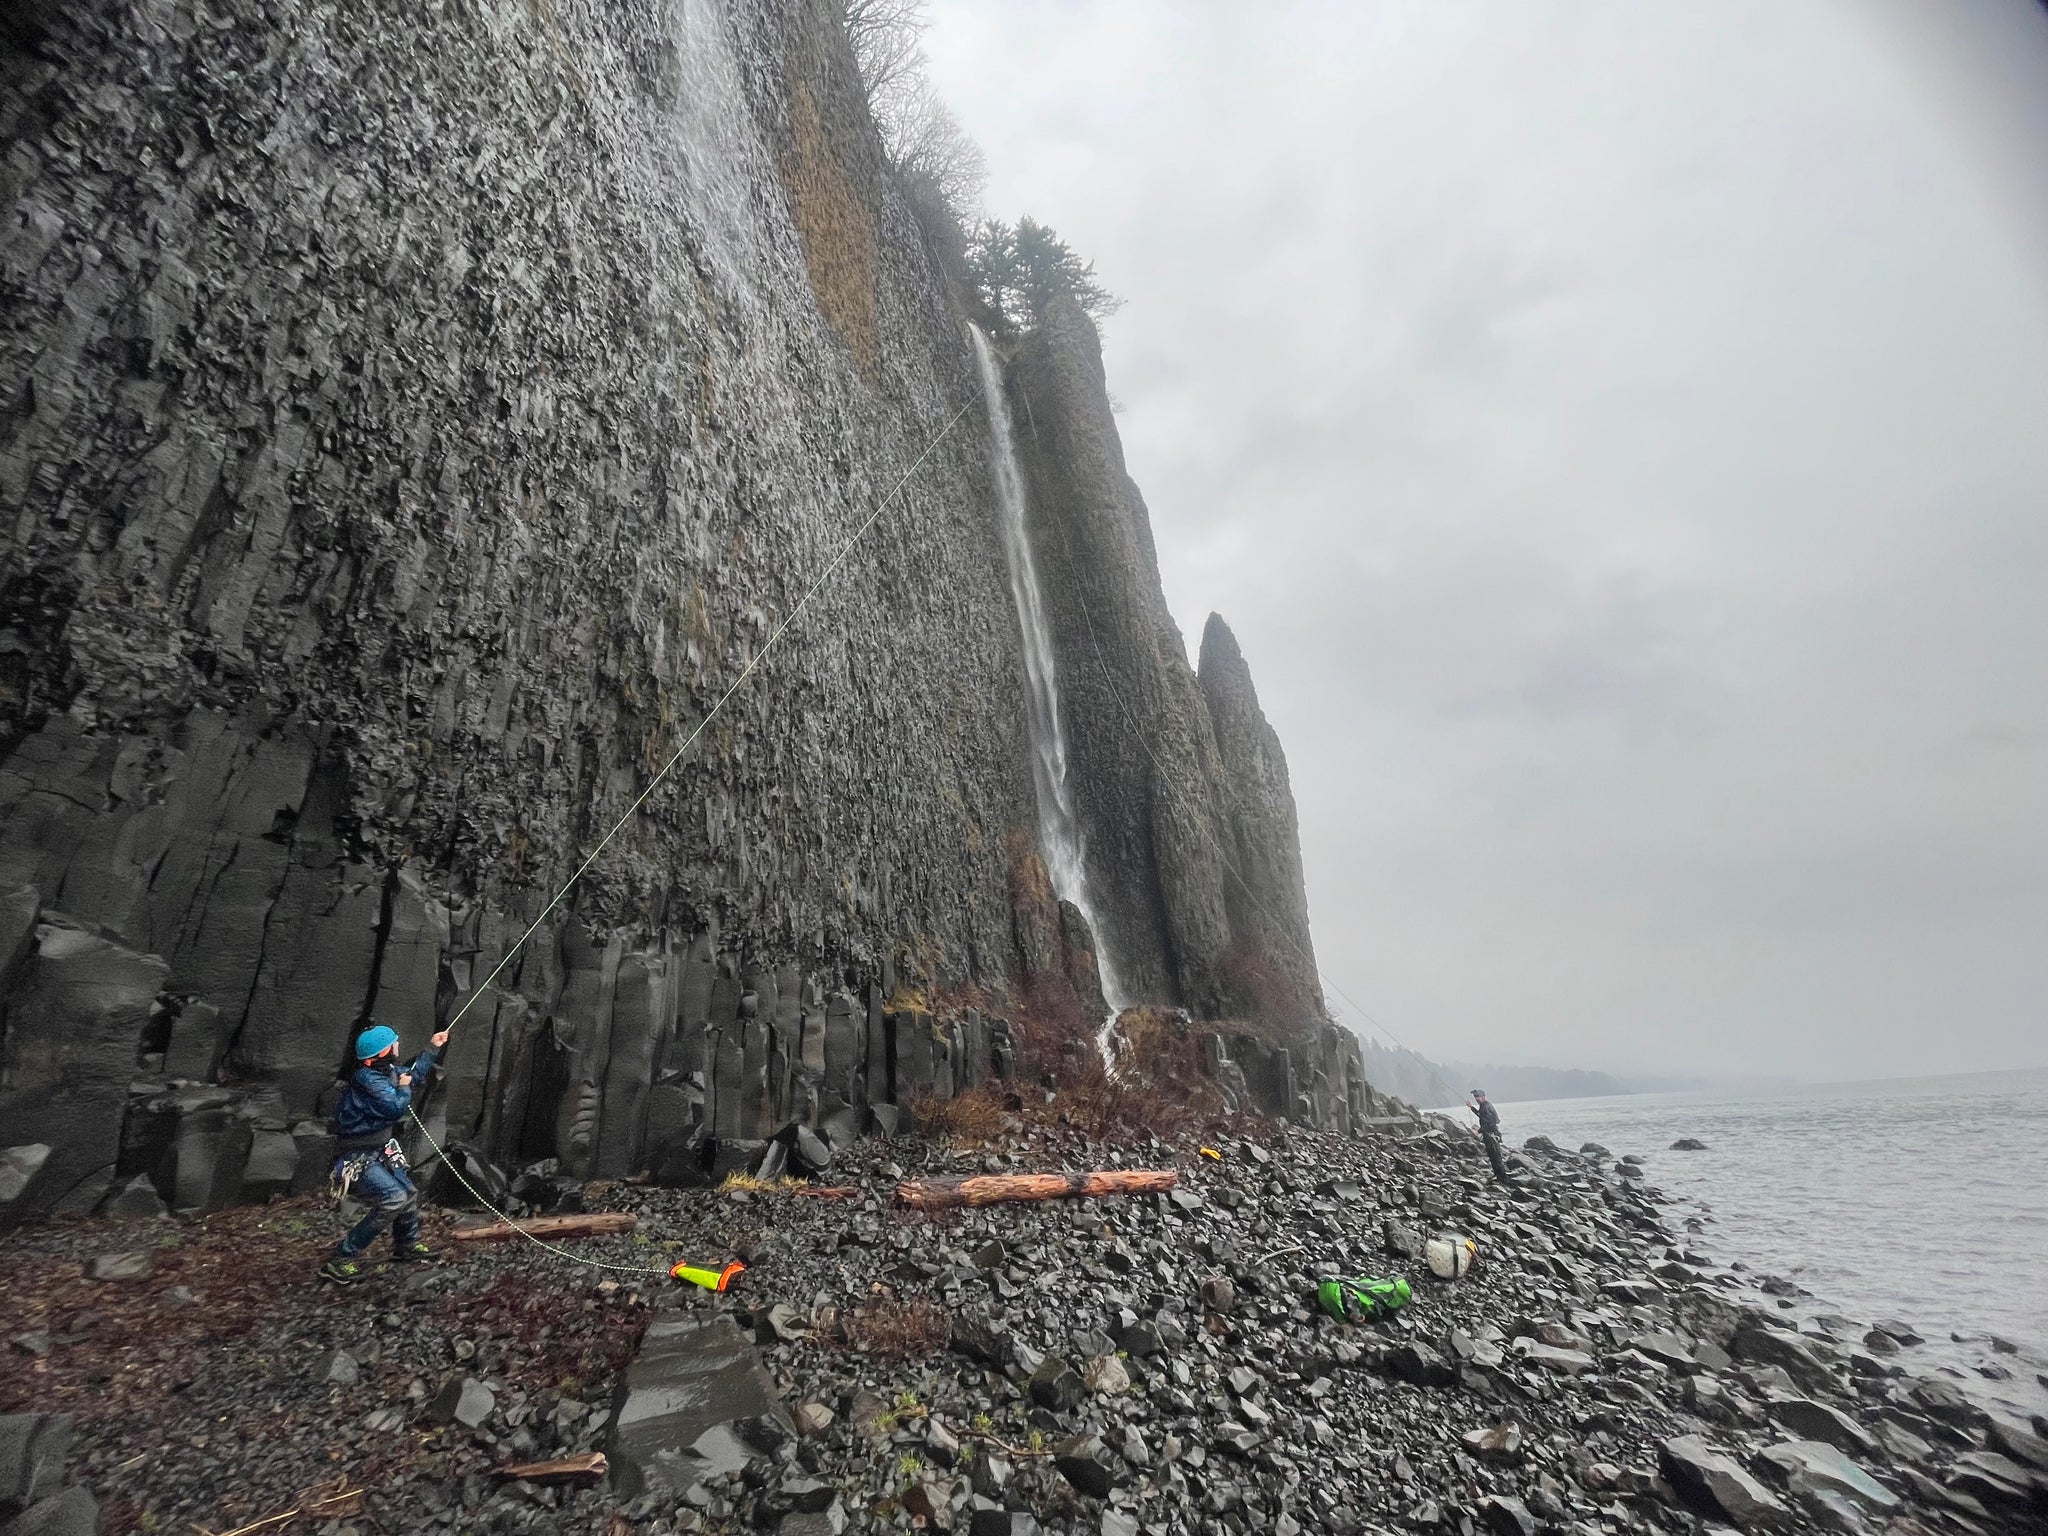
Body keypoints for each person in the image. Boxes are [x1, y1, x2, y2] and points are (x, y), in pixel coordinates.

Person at [319, 1022, 449, 1284]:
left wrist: (431, 1048)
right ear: (383, 1052)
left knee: (408, 1194)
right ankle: (340, 1259)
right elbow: (394, 1107)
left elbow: (413, 1074)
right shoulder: (368, 1081)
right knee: (393, 1199)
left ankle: (406, 1245)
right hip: (356, 1156)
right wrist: (403, 1087)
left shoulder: (384, 1072)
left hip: (378, 1150)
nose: (398, 1045)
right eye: (394, 1042)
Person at [1467, 1088, 1509, 1181]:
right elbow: (1481, 1115)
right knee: (1492, 1156)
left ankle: (1503, 1178)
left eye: (1478, 1096)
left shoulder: (1486, 1106)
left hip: (1491, 1135)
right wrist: (1471, 1107)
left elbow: (1490, 1122)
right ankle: (1499, 1176)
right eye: (1475, 1097)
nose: (1477, 1099)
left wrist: (1478, 1131)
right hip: (1489, 1135)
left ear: (1483, 1097)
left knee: (1496, 1157)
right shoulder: (1483, 1106)